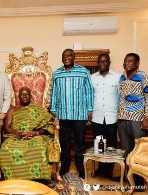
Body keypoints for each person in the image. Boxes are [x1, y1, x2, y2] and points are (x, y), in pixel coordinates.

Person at [0, 87, 60, 180]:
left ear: (30, 96)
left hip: (35, 136)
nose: (25, 96)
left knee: (40, 148)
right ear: (18, 96)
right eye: (22, 94)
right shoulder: (13, 110)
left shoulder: (39, 109)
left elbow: (48, 126)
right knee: (6, 149)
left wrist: (35, 133)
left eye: (27, 94)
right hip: (16, 136)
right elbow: (6, 127)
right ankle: (14, 179)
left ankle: (39, 179)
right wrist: (19, 134)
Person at [50, 49, 94, 179]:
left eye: (69, 55)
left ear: (74, 57)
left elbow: (89, 92)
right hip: (63, 114)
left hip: (79, 114)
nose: (67, 58)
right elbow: (54, 92)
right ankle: (65, 166)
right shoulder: (57, 73)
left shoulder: (84, 72)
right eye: (64, 56)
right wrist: (53, 109)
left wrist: (89, 109)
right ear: (62, 58)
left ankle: (80, 167)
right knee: (65, 143)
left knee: (80, 143)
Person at [118, 53, 148, 191]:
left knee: (138, 150)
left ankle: (140, 182)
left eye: (131, 61)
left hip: (138, 118)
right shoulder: (122, 77)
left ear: (137, 64)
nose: (127, 63)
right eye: (126, 61)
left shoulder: (145, 76)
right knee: (127, 150)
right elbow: (120, 97)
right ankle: (130, 179)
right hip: (122, 118)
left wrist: (146, 117)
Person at [91, 53, 121, 180]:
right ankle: (101, 167)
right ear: (97, 63)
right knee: (99, 143)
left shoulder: (118, 77)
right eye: (100, 62)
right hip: (97, 116)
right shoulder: (92, 78)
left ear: (109, 62)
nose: (102, 63)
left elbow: (121, 96)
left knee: (112, 144)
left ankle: (109, 170)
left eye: (105, 61)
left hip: (111, 116)